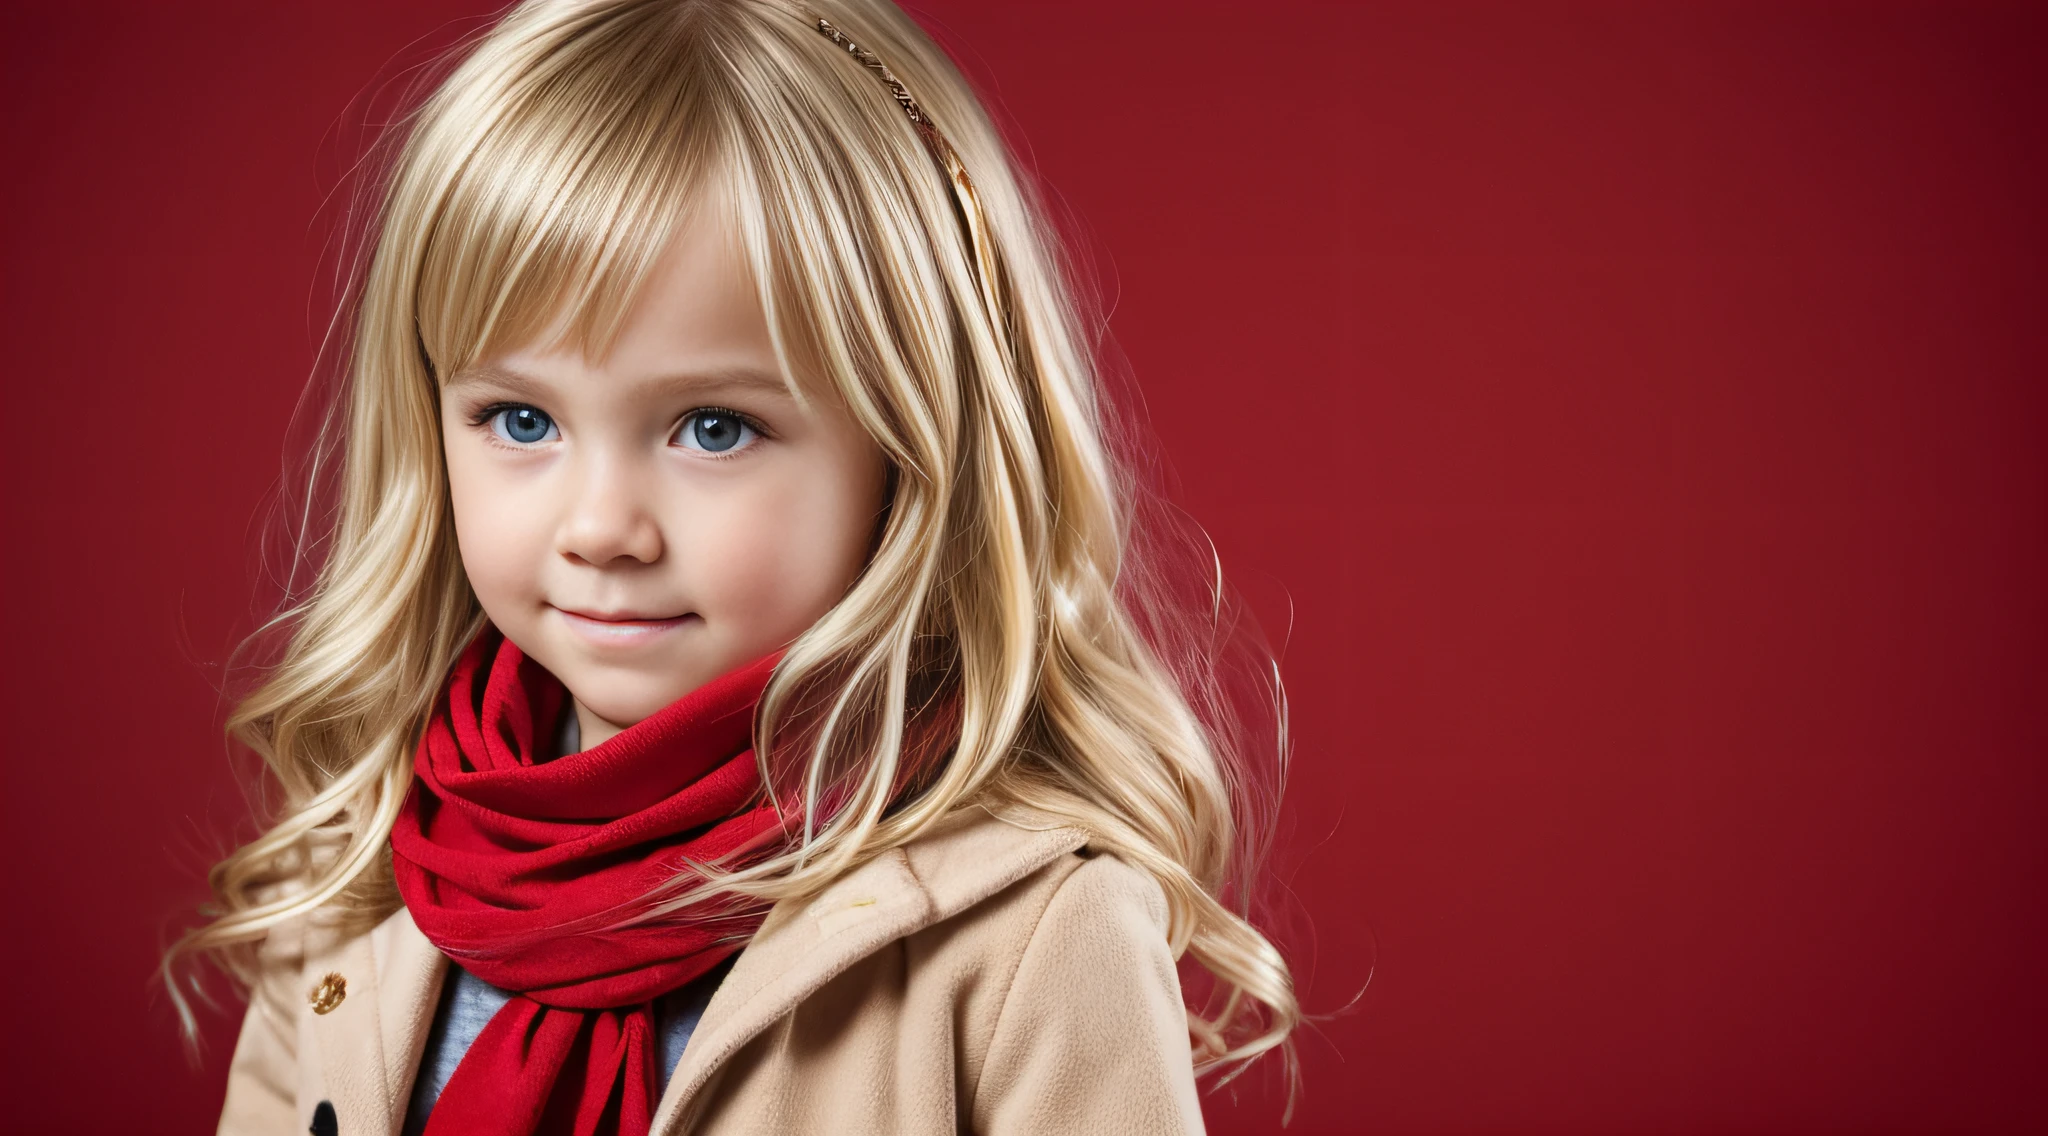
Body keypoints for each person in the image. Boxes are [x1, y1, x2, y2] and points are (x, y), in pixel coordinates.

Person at [165, 1, 1300, 1132]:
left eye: (712, 427)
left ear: (911, 451)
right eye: (518, 418)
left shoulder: (1033, 937)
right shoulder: (359, 864)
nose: (600, 526)